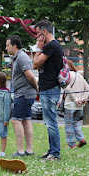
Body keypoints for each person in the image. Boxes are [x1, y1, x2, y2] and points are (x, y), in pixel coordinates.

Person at [33, 19, 63, 161]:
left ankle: (55, 153)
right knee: (49, 121)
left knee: (51, 122)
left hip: (50, 89)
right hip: (49, 88)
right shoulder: (52, 46)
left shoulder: (51, 46)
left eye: (38, 34)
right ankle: (52, 150)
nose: (37, 37)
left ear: (44, 32)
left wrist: (39, 47)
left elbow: (35, 64)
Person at [5, 35, 38, 157]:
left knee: (15, 120)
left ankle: (20, 151)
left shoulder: (22, 57)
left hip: (24, 94)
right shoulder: (18, 57)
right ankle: (29, 150)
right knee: (25, 120)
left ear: (14, 46)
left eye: (8, 45)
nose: (6, 48)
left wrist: (36, 88)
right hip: (24, 93)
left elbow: (30, 75)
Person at [62, 71, 89, 148]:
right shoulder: (79, 76)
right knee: (75, 122)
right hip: (80, 105)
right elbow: (87, 88)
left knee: (68, 124)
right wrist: (83, 98)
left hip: (70, 104)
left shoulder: (67, 75)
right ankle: (81, 139)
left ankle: (71, 144)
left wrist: (75, 99)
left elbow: (66, 88)